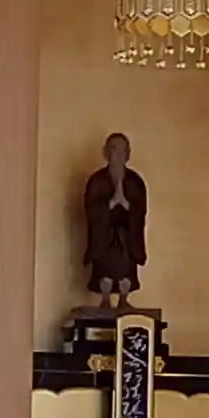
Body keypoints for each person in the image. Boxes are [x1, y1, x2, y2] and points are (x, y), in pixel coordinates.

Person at [83, 132, 147, 309]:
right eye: (114, 149)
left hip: (127, 236)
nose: (118, 155)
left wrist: (126, 204)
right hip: (104, 236)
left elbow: (140, 211)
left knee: (126, 269)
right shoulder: (97, 181)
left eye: (122, 150)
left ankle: (124, 299)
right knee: (105, 270)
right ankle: (105, 299)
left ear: (128, 154)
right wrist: (110, 204)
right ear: (105, 153)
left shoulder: (135, 182)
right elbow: (91, 210)